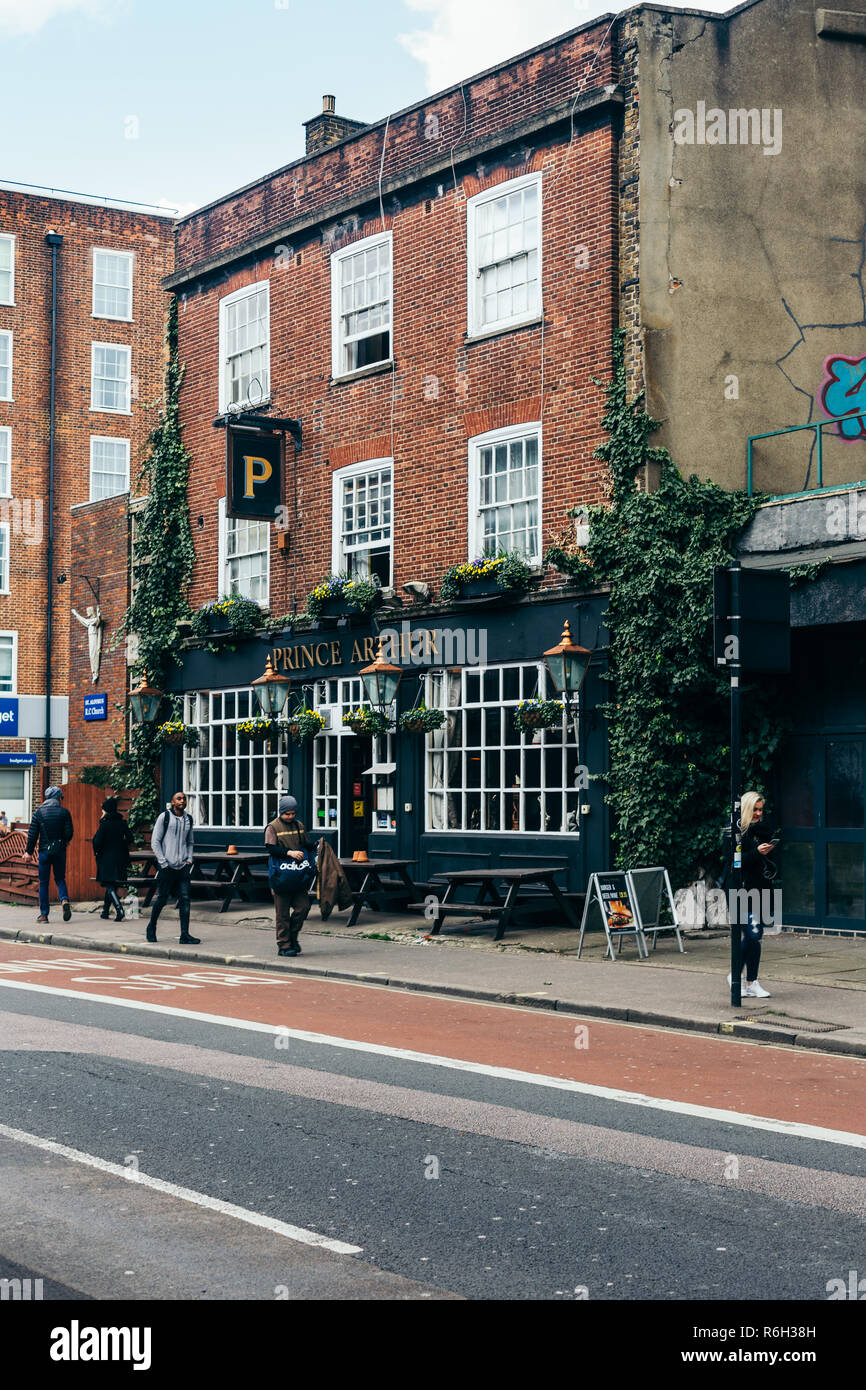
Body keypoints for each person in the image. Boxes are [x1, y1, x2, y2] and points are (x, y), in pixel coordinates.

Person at [727, 790, 777, 999]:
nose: (758, 813)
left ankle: (751, 981)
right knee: (752, 933)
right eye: (755, 809)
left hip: (761, 888)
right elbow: (734, 862)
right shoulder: (735, 832)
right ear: (746, 809)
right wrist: (757, 852)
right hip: (741, 890)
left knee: (756, 937)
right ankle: (736, 976)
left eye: (761, 809)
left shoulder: (761, 831)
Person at [146, 791, 199, 945]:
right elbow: (155, 842)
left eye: (184, 799)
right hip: (167, 866)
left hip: (183, 866)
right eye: (179, 799)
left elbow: (190, 842)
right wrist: (163, 863)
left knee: (185, 899)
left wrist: (189, 859)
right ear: (173, 802)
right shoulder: (165, 817)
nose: (182, 801)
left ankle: (185, 935)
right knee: (162, 899)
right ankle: (152, 927)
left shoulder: (188, 819)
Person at [265, 795, 315, 956]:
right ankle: (284, 945)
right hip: (281, 875)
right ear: (281, 812)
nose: (290, 816)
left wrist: (316, 845)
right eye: (287, 814)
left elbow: (306, 844)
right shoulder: (272, 827)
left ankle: (292, 937)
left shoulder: (299, 825)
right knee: (282, 913)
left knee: (303, 907)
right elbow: (271, 848)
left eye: (293, 813)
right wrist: (290, 853)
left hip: (298, 875)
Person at [23, 785, 74, 924]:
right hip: (59, 851)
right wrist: (62, 842)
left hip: (44, 852)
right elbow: (69, 833)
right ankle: (64, 899)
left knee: (44, 883)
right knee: (60, 879)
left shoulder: (38, 813)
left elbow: (33, 834)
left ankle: (44, 915)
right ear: (58, 798)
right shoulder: (64, 812)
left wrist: (28, 852)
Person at [92, 797, 134, 921]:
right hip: (120, 857)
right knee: (112, 884)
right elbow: (130, 838)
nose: (102, 813)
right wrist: (122, 845)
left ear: (107, 811)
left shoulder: (104, 824)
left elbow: (97, 841)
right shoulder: (122, 822)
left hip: (106, 858)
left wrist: (97, 852)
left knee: (109, 884)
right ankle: (105, 911)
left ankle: (119, 910)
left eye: (103, 810)